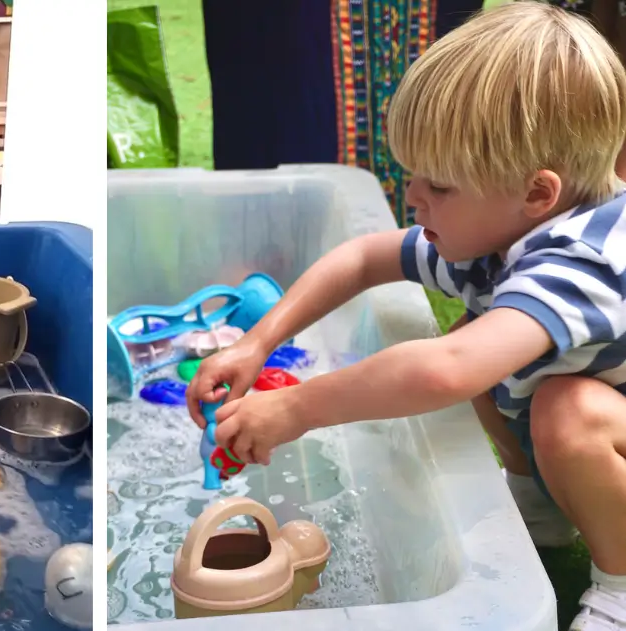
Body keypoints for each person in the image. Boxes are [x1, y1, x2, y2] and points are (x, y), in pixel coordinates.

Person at [187, 4, 626, 628]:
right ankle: (539, 503)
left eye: (438, 186)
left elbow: (446, 372)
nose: (412, 196)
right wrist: (256, 343)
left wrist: (295, 409)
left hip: (602, 421)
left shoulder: (584, 263)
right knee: (481, 337)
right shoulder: (502, 235)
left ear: (537, 193)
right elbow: (365, 257)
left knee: (558, 405)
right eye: (411, 175)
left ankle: (620, 584)